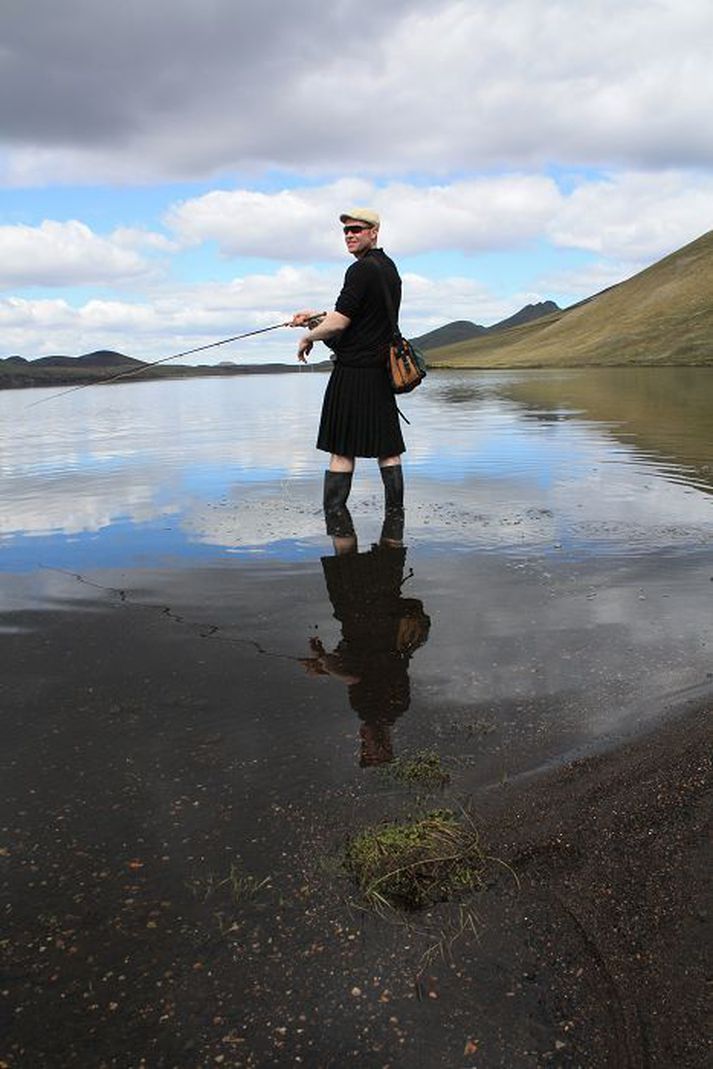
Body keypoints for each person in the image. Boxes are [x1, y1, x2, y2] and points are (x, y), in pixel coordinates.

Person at [291, 209, 405, 543]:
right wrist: (314, 317)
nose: (350, 235)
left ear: (375, 232)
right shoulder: (388, 269)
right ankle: (395, 522)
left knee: (342, 450)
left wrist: (307, 335)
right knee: (388, 450)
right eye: (346, 231)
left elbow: (341, 323)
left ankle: (336, 518)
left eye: (357, 229)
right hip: (380, 372)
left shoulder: (359, 270)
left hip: (353, 372)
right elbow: (358, 314)